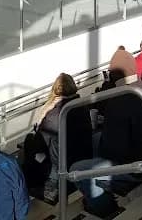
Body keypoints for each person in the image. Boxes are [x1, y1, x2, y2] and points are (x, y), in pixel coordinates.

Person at [70, 47, 142, 217]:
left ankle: (106, 209)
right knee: (97, 139)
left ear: (113, 76)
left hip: (136, 167)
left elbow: (114, 151)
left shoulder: (118, 102)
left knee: (78, 170)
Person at [25, 74, 92, 204]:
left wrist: (42, 120)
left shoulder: (55, 114)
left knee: (30, 144)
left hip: (61, 163)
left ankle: (34, 184)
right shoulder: (81, 106)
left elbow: (41, 144)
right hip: (80, 157)